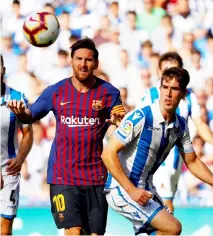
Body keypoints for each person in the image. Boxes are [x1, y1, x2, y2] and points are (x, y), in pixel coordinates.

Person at [7, 38, 126, 235]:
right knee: (74, 231)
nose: (83, 64)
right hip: (63, 175)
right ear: (71, 61)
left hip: (95, 175)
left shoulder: (109, 93)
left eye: (88, 60)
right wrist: (20, 112)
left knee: (94, 233)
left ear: (96, 63)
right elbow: (31, 115)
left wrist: (119, 120)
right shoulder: (56, 91)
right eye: (78, 59)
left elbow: (122, 120)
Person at [101, 67, 213, 235]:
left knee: (167, 231)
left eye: (174, 89)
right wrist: (131, 190)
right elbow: (107, 154)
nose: (168, 94)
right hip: (120, 188)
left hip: (146, 188)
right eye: (165, 87)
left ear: (184, 93)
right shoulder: (141, 116)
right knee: (173, 227)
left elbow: (192, 161)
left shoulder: (180, 126)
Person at [138, 52, 213, 213]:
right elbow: (137, 122)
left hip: (176, 157)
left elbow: (199, 123)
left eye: (175, 71)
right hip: (154, 157)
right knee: (159, 206)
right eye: (166, 72)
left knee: (168, 204)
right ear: (159, 73)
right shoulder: (150, 95)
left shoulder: (189, 96)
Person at [0, 54, 33, 235]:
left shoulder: (18, 98)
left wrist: (20, 159)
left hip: (9, 171)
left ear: (3, 70)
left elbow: (28, 134)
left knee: (5, 227)